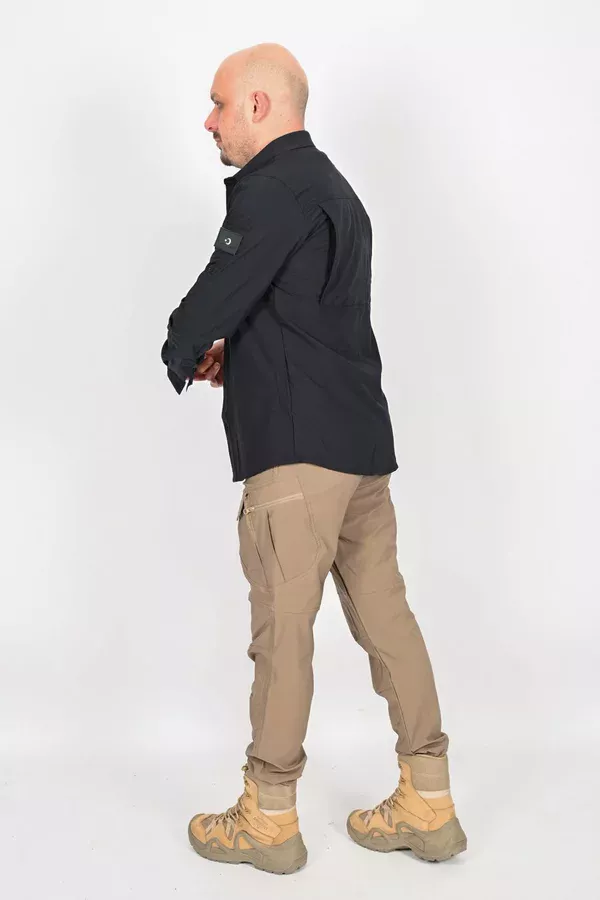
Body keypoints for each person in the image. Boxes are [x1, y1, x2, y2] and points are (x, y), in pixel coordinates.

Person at [161, 42, 467, 875]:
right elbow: (305, 315)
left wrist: (183, 346)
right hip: (360, 449)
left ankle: (268, 818)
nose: (210, 121)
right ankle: (430, 801)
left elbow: (217, 294)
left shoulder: (272, 188)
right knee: (387, 619)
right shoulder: (336, 189)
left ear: (260, 105)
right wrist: (241, 354)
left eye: (219, 103)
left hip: (296, 462)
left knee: (282, 634)